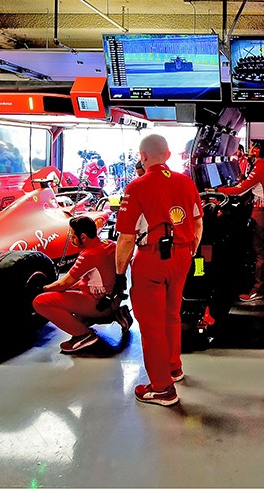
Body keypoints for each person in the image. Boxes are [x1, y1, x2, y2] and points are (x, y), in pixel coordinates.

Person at [116, 134, 203, 407]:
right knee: (171, 315)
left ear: (143, 156)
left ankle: (162, 388)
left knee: (151, 325)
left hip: (151, 259)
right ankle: (173, 367)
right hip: (182, 257)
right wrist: (188, 252)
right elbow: (198, 224)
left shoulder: (136, 187)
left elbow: (127, 237)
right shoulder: (186, 182)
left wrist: (120, 273)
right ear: (167, 154)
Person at [33, 215, 132, 354]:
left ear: (83, 237)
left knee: (40, 302)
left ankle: (84, 336)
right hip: (112, 300)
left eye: (73, 236)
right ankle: (117, 314)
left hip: (97, 304)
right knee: (77, 313)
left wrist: (42, 288)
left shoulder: (89, 254)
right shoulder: (109, 244)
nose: (71, 240)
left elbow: (63, 283)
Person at [218, 139, 264, 303]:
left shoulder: (259, 168)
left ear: (257, 151)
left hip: (260, 213)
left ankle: (257, 289)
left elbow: (239, 190)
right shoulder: (261, 167)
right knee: (260, 251)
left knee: (259, 252)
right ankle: (258, 285)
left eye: (252, 147)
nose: (249, 149)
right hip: (260, 212)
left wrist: (216, 190)